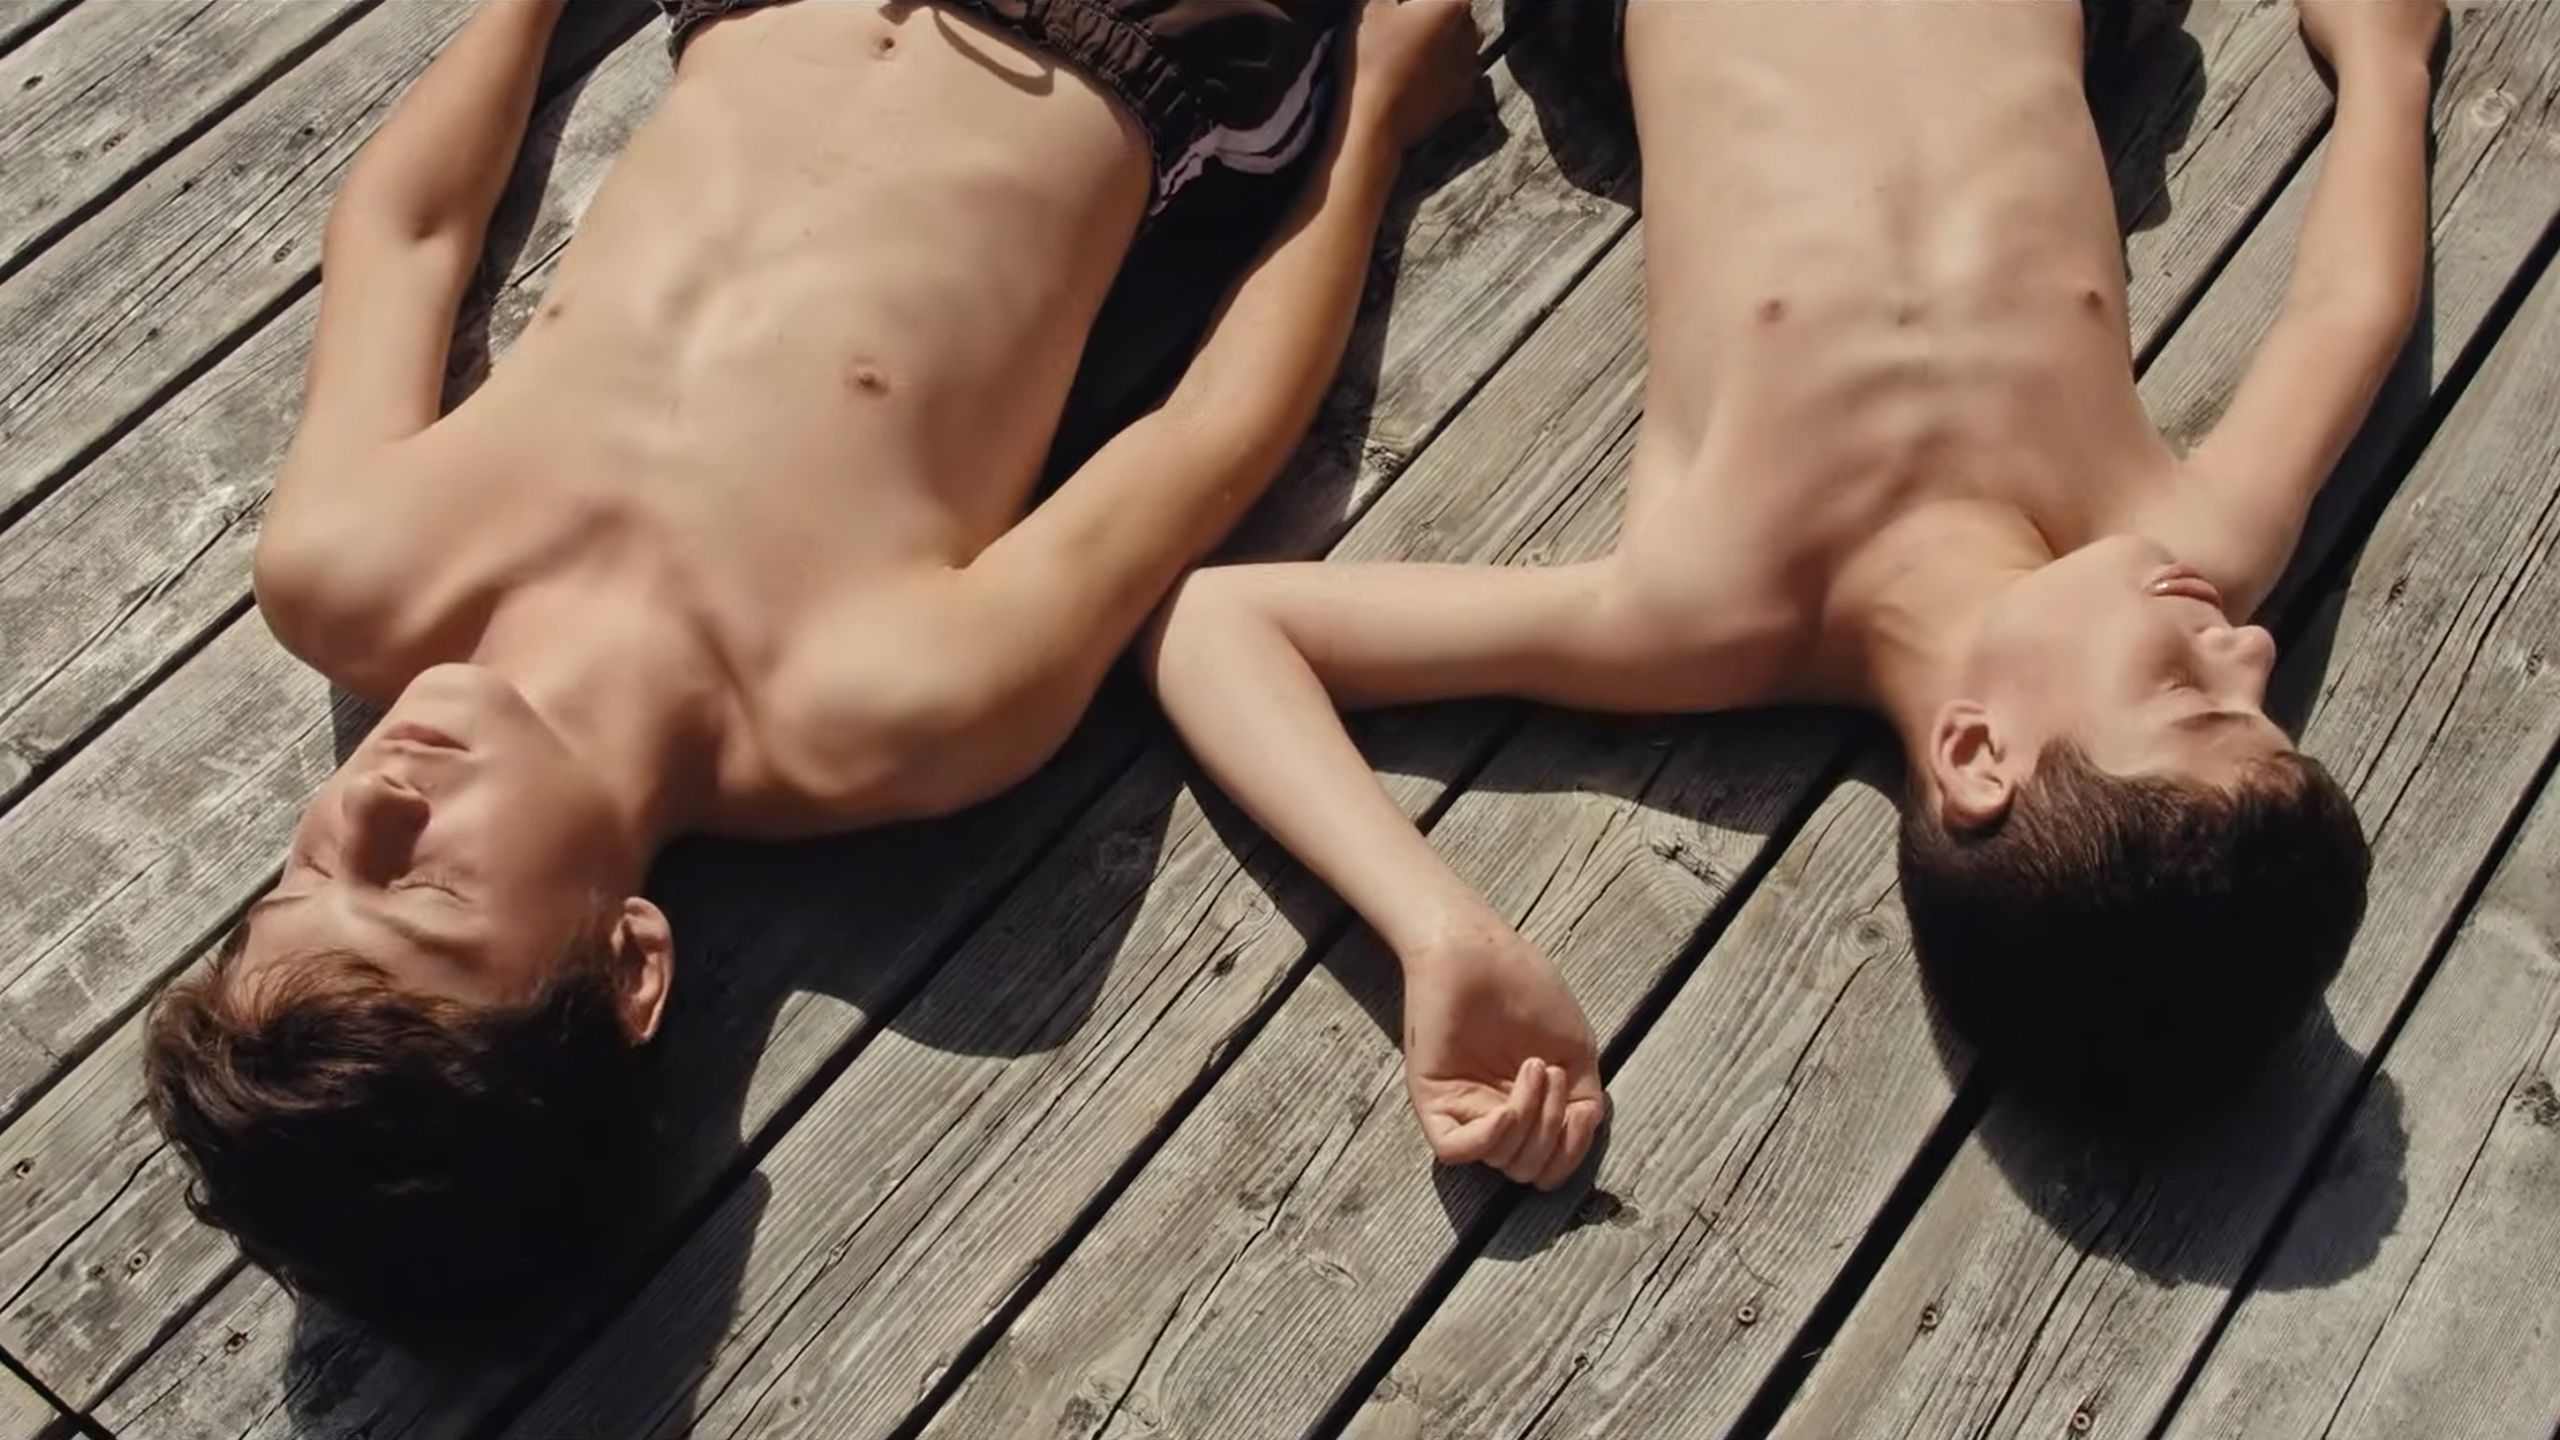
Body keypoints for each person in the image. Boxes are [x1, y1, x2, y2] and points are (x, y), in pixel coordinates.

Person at [142, 0, 1485, 1344]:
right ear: (626, 965)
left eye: (302, 876)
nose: (367, 806)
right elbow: (1207, 430)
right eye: (424, 889)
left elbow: (409, 232)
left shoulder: (349, 564)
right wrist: (1372, 117)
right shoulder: (890, 705)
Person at [1149, 0, 2440, 1188]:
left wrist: (1437, 931)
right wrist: (2387, 65)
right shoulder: (2179, 543)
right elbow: (2352, 309)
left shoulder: (1716, 604)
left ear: (1978, 754)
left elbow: (1222, 625)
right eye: (2263, 700)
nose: (2248, 651)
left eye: (2190, 696)